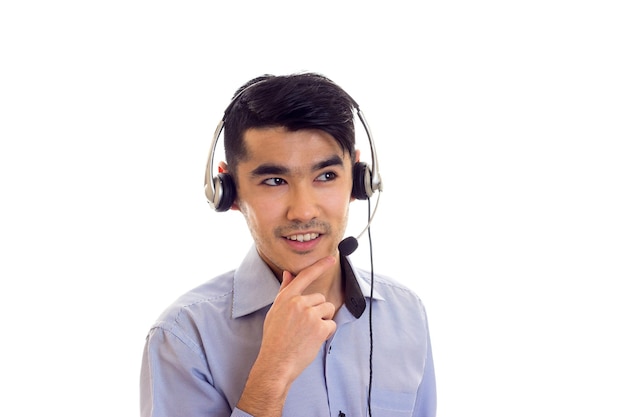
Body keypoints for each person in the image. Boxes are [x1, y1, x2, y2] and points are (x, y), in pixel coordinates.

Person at [140, 72, 436, 417]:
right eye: (274, 181)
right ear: (229, 191)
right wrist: (272, 375)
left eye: (326, 176)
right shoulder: (183, 337)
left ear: (358, 180)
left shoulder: (406, 313)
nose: (303, 210)